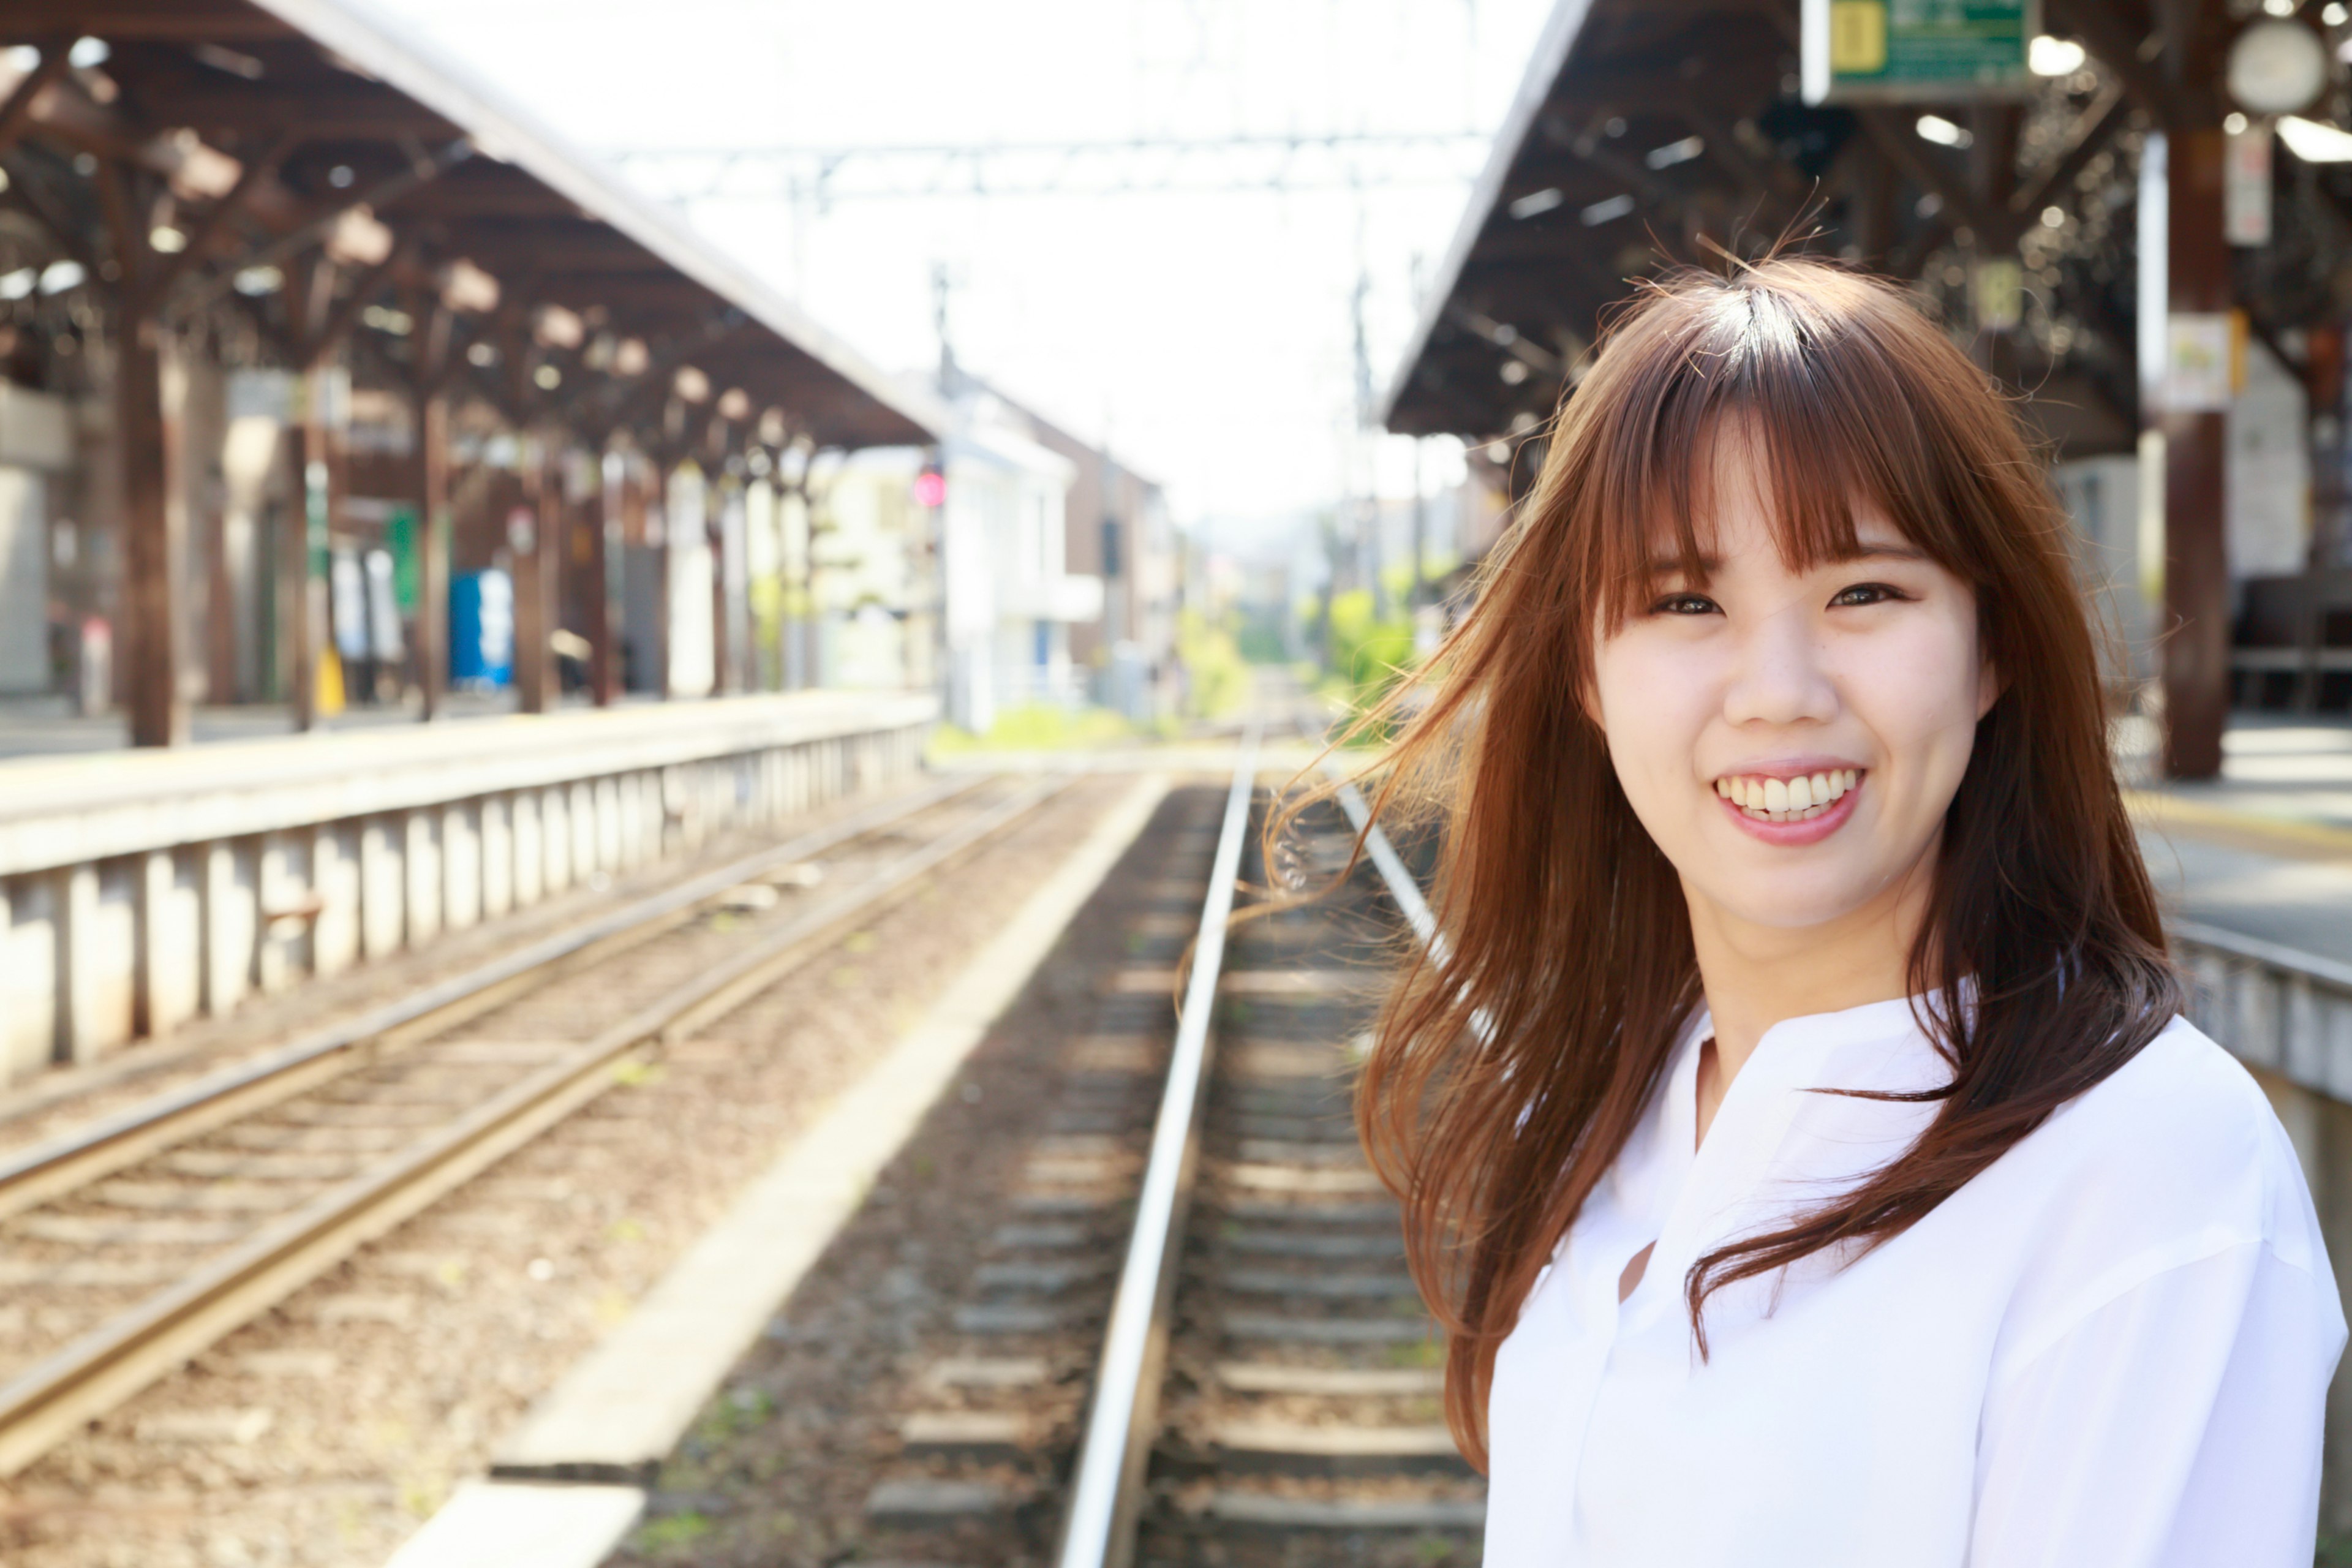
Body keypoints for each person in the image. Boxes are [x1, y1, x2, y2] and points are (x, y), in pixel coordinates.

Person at [1334, 259, 2346, 1564]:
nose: (1779, 690)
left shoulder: (2150, 1177)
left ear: (1992, 648)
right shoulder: (1615, 1100)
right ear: (1585, 672)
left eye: (1865, 591)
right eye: (1685, 601)